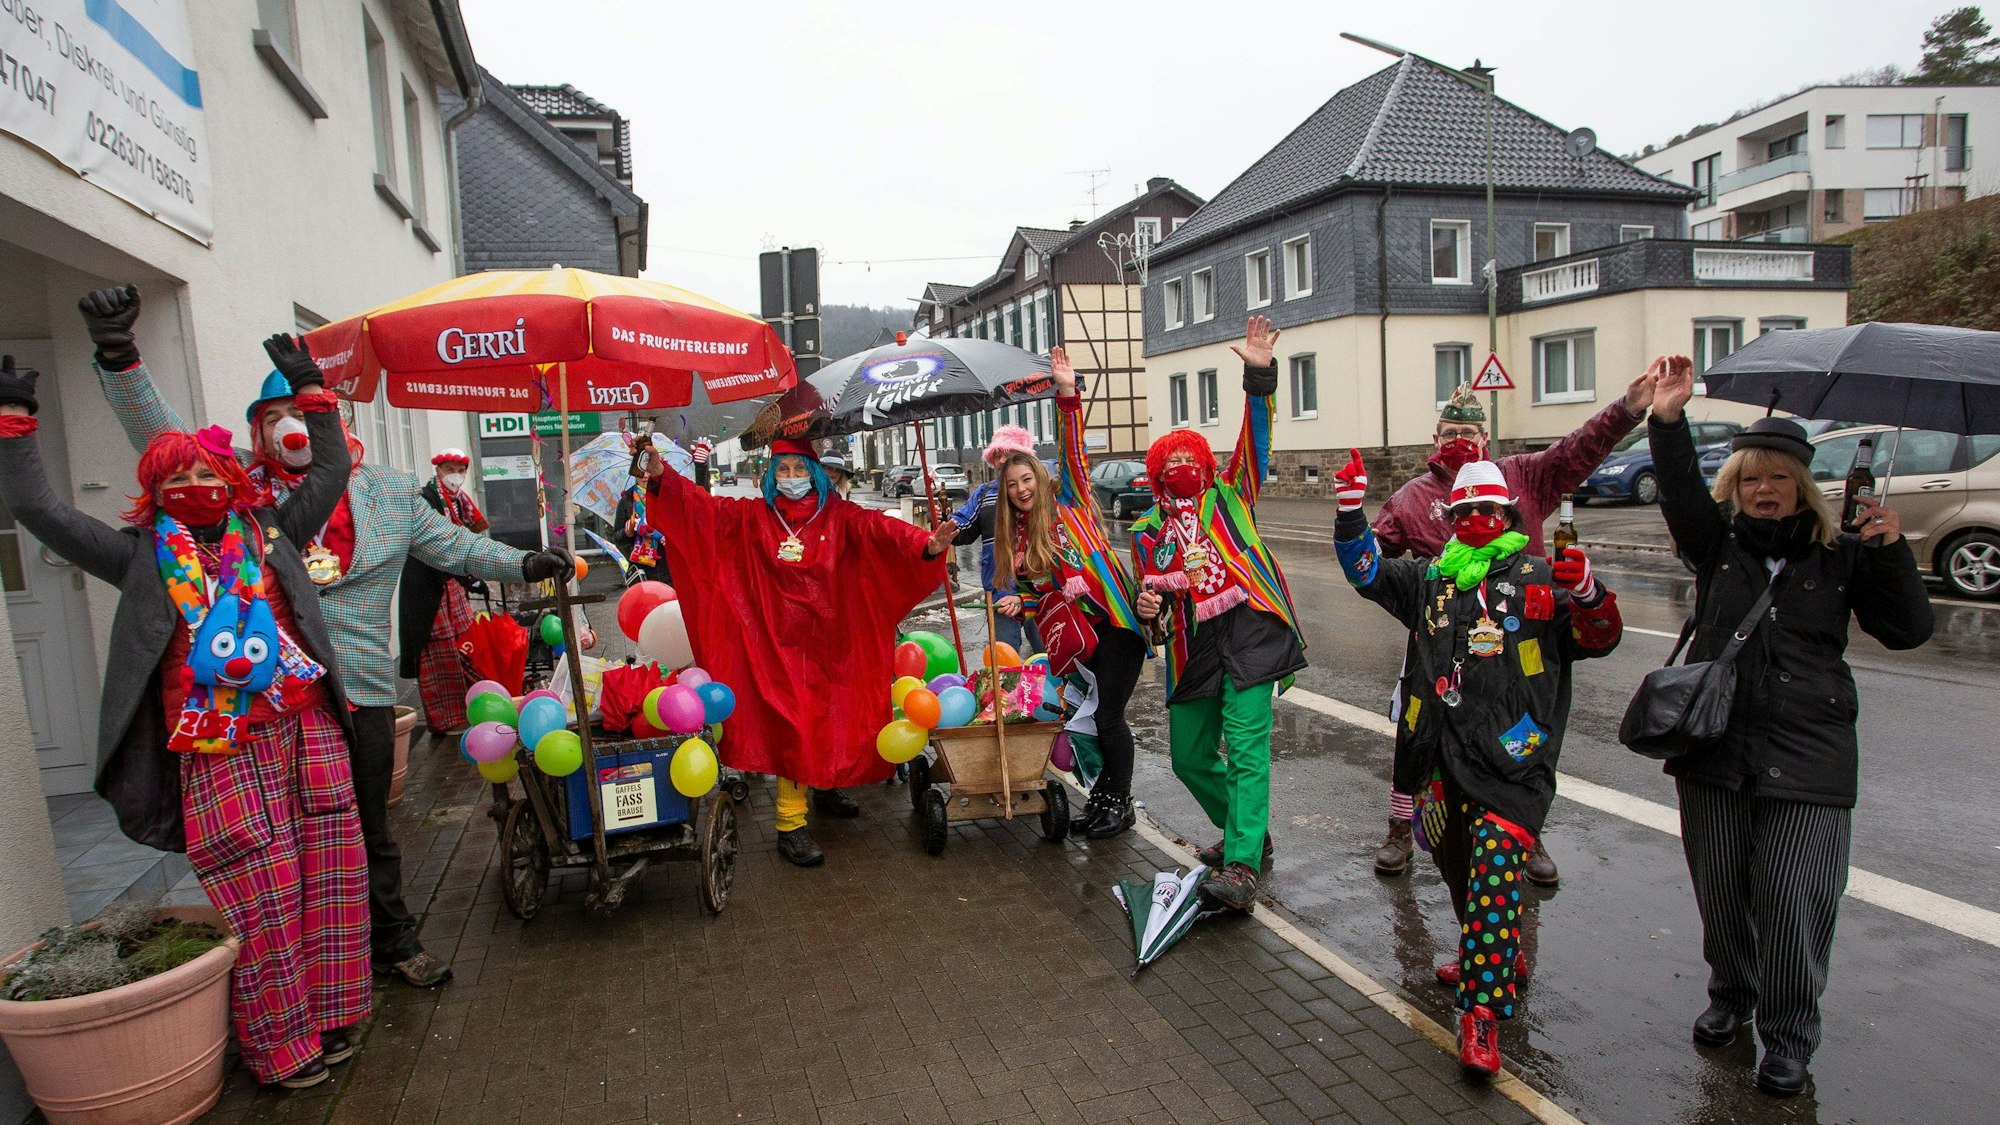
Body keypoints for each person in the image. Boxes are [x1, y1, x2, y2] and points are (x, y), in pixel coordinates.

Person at [80, 285, 575, 990]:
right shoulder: (242, 494)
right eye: (273, 417)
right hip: (276, 701)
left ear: (330, 419)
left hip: (363, 691)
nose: (290, 428)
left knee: (368, 829)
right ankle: (309, 964)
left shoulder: (391, 493)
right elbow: (161, 439)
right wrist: (121, 357)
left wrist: (525, 561)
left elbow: (456, 549)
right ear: (258, 431)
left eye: (300, 412)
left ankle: (392, 941)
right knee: (285, 840)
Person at [0, 350, 367, 1089]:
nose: (195, 487)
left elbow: (328, 473)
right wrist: (14, 427)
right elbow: (41, 512)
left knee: (331, 878)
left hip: (308, 728)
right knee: (258, 894)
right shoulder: (135, 557)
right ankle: (281, 1046)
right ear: (155, 491)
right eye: (178, 479)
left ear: (232, 483)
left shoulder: (272, 529)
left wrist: (311, 394)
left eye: (208, 476)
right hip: (217, 746)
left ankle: (333, 1018)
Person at [1647, 356, 1932, 1098]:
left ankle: (1790, 1033)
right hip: (1715, 746)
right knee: (1721, 885)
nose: (1763, 490)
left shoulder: (1843, 552)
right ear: (1734, 485)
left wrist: (1894, 549)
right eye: (1749, 478)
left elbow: (1906, 630)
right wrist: (1668, 418)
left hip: (1812, 752)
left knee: (1795, 895)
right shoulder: (1717, 545)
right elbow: (1678, 490)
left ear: (1802, 484)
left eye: (1776, 478)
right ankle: (1730, 993)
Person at [1333, 453, 1623, 1081]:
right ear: (1454, 518)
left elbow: (1599, 638)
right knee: (1457, 864)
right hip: (1439, 756)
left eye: (1490, 510)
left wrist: (1588, 591)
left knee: (1494, 869)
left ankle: (1481, 1014)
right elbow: (1366, 573)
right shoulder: (1431, 579)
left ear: (1508, 514)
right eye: (1466, 511)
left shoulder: (1542, 577)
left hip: (1515, 762)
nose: (1478, 519)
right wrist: (1351, 512)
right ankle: (1493, 953)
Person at [1366, 364, 1660, 885]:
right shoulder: (1412, 497)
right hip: (1438, 644)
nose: (1459, 441)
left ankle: (1524, 831)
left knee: (1524, 732)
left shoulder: (1523, 477)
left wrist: (1629, 408)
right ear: (1436, 439)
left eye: (1469, 434)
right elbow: (1374, 559)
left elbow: (1579, 448)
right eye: (1450, 434)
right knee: (1416, 732)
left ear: (1486, 438)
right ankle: (1400, 826)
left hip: (1520, 647)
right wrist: (1353, 529)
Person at [644, 437, 956, 865]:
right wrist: (664, 479)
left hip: (832, 644)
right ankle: (791, 824)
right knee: (796, 728)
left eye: (800, 468)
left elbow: (879, 529)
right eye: (783, 469)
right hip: (774, 647)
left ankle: (826, 785)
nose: (792, 478)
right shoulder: (753, 516)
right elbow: (703, 512)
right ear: (772, 475)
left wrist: (925, 545)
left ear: (815, 472)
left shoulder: (840, 516)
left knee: (834, 717)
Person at [1130, 316, 1306, 910]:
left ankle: (1241, 865)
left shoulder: (1232, 493)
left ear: (1207, 465)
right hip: (1193, 643)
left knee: (1249, 750)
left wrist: (1259, 377)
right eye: (1172, 460)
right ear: (1156, 474)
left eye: (1192, 456)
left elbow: (1256, 443)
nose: (1184, 466)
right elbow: (1148, 612)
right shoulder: (1148, 529)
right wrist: (1149, 606)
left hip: (1251, 630)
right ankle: (1245, 832)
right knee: (1188, 756)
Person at [977, 346, 1150, 838]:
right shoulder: (1018, 543)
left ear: (1040, 478)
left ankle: (1119, 806)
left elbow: (1076, 452)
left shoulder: (1069, 504)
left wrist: (1067, 392)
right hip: (1079, 642)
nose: (1021, 490)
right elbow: (1043, 597)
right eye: (1012, 485)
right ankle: (1103, 801)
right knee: (1093, 722)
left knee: (1110, 718)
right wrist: (1021, 602)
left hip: (1115, 625)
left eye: (1027, 479)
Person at [397, 449, 490, 736]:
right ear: (438, 470)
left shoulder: (460, 503)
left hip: (451, 584)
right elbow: (436, 545)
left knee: (465, 645)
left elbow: (464, 541)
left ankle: (471, 708)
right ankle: (444, 720)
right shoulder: (427, 500)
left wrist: (470, 575)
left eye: (461, 470)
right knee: (438, 652)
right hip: (428, 587)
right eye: (450, 469)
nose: (456, 476)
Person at [951, 425, 1044, 656]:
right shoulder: (984, 494)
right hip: (1000, 593)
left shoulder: (1037, 493)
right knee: (1005, 663)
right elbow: (964, 528)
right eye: (998, 454)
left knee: (1049, 660)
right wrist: (947, 527)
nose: (1002, 460)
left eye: (1009, 453)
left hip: (1039, 593)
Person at [613, 433, 671, 584]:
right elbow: (617, 537)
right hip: (642, 571)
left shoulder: (664, 495)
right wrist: (627, 533)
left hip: (668, 568)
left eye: (648, 471)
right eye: (641, 472)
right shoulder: (627, 500)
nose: (645, 476)